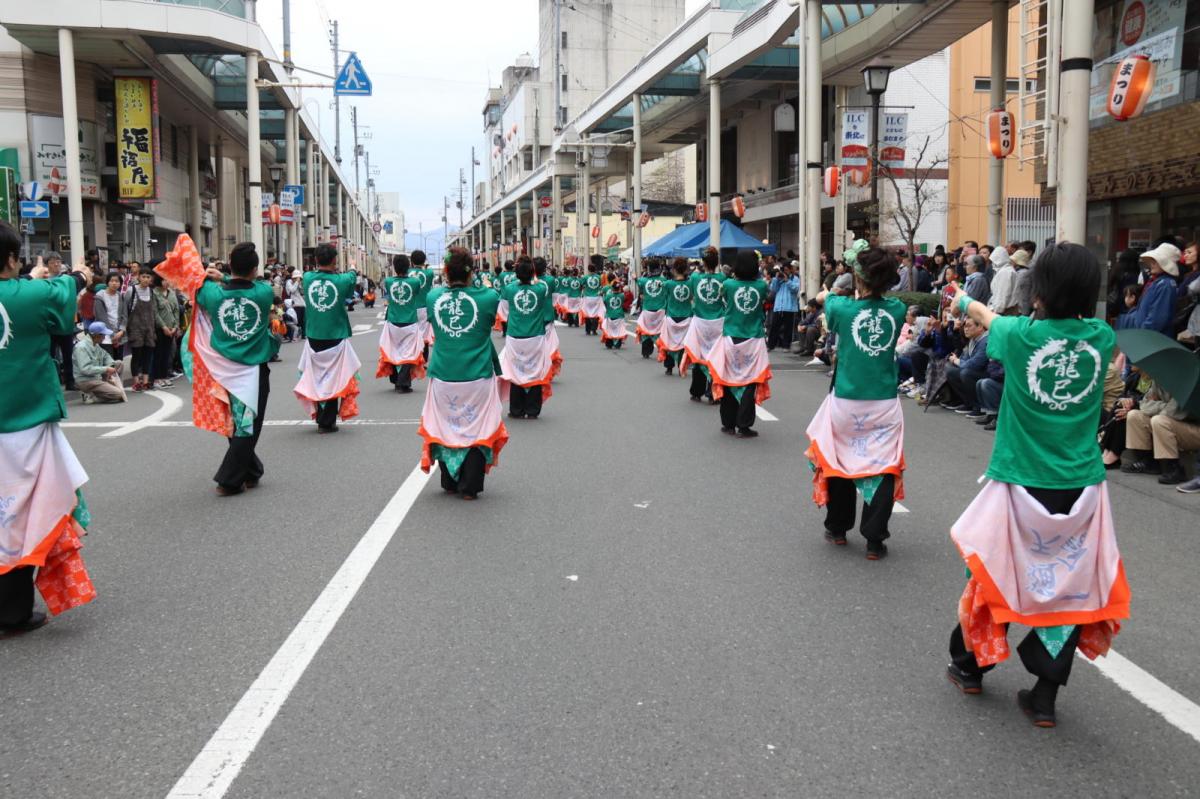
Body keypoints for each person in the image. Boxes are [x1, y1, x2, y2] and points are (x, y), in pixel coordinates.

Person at [944, 242, 1129, 729]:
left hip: (1020, 482)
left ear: (1039, 290)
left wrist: (962, 300)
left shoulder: (1022, 336)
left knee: (995, 576)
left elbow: (985, 315)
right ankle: (1044, 696)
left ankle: (970, 667)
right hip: (1082, 489)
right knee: (1070, 588)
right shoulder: (1100, 337)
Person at [0, 220, 96, 637]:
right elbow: (64, 296)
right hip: (24, 421)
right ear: (11, 259)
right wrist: (76, 273)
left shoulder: (25, 289)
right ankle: (12, 610)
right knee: (23, 515)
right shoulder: (31, 294)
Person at [803, 242, 906, 560]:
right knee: (883, 466)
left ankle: (837, 527)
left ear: (858, 278)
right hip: (884, 403)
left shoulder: (841, 308)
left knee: (839, 461)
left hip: (847, 400)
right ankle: (874, 539)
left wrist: (833, 287)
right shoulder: (898, 311)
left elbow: (824, 298)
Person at [169, 240, 278, 496]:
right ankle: (229, 480)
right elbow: (255, 285)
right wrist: (227, 275)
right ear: (255, 269)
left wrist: (220, 276)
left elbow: (195, 280)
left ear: (230, 264)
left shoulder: (213, 294)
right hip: (253, 369)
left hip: (222, 369)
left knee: (237, 422)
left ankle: (252, 471)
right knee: (248, 424)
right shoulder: (262, 293)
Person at [419, 248, 508, 499]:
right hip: (477, 373)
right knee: (477, 427)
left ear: (445, 272)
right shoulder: (489, 297)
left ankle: (449, 479)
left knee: (446, 425)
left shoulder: (433, 297)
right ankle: (470, 486)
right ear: (472, 272)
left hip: (444, 373)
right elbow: (491, 318)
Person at [295, 244, 361, 433]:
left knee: (317, 377)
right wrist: (353, 266)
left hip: (314, 334)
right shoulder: (341, 280)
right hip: (335, 335)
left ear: (316, 260)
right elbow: (351, 279)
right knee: (334, 377)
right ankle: (327, 420)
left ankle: (321, 416)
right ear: (334, 261)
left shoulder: (307, 278)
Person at [707, 250, 772, 439]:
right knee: (750, 380)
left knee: (728, 378)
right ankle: (744, 425)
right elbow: (767, 298)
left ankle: (728, 424)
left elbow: (722, 299)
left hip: (731, 337)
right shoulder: (761, 286)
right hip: (754, 338)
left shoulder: (727, 285)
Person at [499, 256, 555, 419]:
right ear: (533, 273)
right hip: (535, 336)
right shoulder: (540, 289)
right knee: (535, 371)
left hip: (515, 336)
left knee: (515, 371)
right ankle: (532, 409)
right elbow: (538, 283)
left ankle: (516, 409)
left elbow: (503, 308)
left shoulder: (509, 289)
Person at [681, 247, 726, 401]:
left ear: (703, 261)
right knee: (715, 357)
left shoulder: (694, 278)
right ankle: (713, 391)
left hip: (700, 321)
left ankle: (697, 390)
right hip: (719, 322)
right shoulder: (723, 279)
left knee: (699, 355)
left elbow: (691, 296)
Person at [377, 253, 426, 394]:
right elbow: (415, 293)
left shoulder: (388, 281)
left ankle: (395, 379)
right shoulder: (415, 282)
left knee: (393, 350)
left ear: (394, 266)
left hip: (393, 321)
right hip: (409, 321)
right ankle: (403, 383)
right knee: (409, 352)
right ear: (408, 266)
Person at [1118, 243, 1181, 336]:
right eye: (1152, 261)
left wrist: (1142, 334)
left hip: (1152, 339)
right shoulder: (1158, 282)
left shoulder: (1165, 285)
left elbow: (1157, 320)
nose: (1151, 264)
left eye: (1155, 261)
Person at [73, 322, 127, 403]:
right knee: (118, 394)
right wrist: (106, 369)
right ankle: (91, 395)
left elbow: (106, 357)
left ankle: (105, 388)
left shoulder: (96, 344)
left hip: (97, 377)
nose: (105, 337)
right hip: (86, 380)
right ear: (97, 335)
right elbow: (85, 369)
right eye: (103, 335)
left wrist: (111, 366)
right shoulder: (81, 347)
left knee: (119, 363)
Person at [657, 258, 693, 376]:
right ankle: (681, 365)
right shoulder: (690, 283)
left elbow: (660, 289)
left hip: (671, 317)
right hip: (687, 317)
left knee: (668, 342)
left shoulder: (668, 284)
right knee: (683, 344)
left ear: (674, 269)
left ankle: (669, 367)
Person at [151, 273, 181, 388]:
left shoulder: (171, 293)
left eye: (168, 280)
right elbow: (155, 312)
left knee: (167, 354)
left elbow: (176, 311)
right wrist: (163, 326)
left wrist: (175, 326)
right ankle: (157, 378)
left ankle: (164, 376)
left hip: (171, 328)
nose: (167, 282)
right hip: (160, 328)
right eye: (164, 280)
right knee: (158, 353)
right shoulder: (154, 293)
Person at [635, 263, 667, 358]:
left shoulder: (644, 280)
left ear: (649, 269)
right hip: (660, 310)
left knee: (646, 331)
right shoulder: (663, 280)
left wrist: (635, 278)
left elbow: (638, 282)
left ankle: (646, 351)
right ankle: (661, 349)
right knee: (660, 331)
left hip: (647, 310)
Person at [767, 263, 800, 351]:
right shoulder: (778, 279)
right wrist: (776, 279)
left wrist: (787, 281)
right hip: (778, 306)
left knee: (788, 328)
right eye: (784, 270)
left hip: (789, 307)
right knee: (774, 326)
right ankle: (770, 346)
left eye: (787, 270)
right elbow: (773, 289)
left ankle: (786, 346)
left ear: (791, 270)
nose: (785, 272)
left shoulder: (795, 279)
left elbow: (795, 289)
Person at [93, 273, 127, 357]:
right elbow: (101, 317)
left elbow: (124, 314)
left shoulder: (120, 296)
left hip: (119, 335)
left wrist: (122, 331)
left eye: (117, 281)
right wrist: (112, 335)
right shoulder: (100, 297)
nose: (114, 283)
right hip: (105, 336)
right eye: (112, 281)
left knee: (118, 361)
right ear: (107, 282)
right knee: (108, 362)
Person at [410, 250, 436, 353]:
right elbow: (428, 270)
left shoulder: (408, 273)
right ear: (424, 261)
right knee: (424, 335)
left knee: (412, 334)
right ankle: (423, 359)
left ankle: (413, 357)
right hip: (424, 307)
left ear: (411, 261)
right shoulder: (429, 273)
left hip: (411, 307)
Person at [580, 257, 605, 336]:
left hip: (587, 297)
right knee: (596, 313)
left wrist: (584, 288)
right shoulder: (599, 277)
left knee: (587, 313)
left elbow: (581, 284)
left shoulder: (585, 277)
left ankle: (588, 330)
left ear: (588, 269)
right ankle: (594, 329)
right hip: (596, 297)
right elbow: (601, 286)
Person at [600, 279, 627, 349]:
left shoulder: (608, 296)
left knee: (609, 330)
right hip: (619, 315)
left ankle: (609, 343)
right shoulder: (622, 295)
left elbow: (605, 303)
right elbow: (623, 302)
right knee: (619, 330)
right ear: (619, 288)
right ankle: (618, 343)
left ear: (612, 288)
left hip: (610, 315)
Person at [285, 269, 306, 339]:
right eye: (297, 278)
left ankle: (303, 335)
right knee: (296, 320)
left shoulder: (299, 283)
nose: (298, 279)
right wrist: (296, 282)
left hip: (302, 303)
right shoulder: (289, 282)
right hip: (294, 304)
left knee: (303, 320)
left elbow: (303, 292)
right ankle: (293, 335)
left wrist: (300, 284)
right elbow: (292, 290)